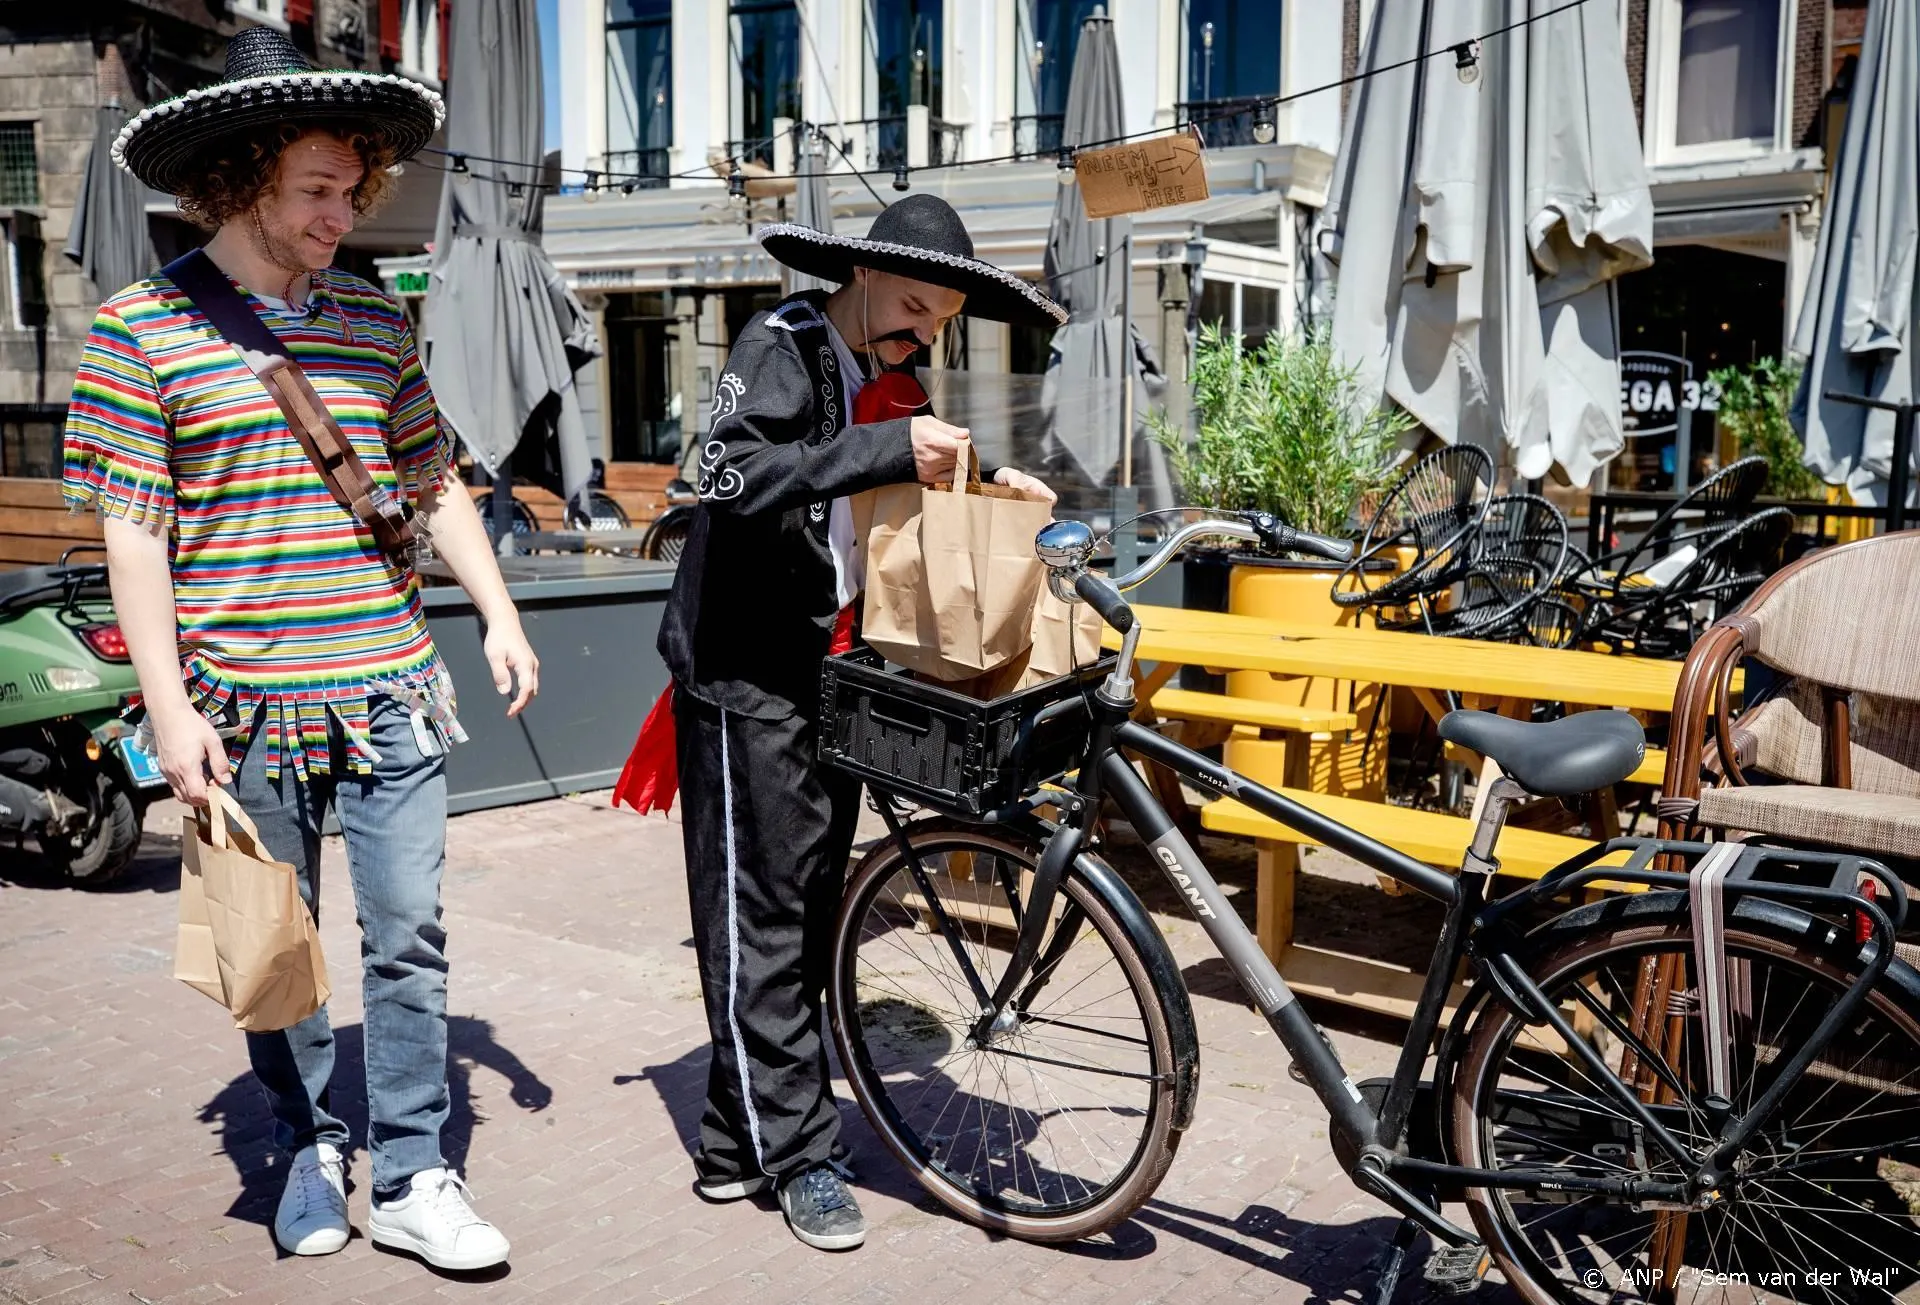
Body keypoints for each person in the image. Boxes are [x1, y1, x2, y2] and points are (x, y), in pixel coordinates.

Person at [63, 28, 535, 1272]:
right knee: (277, 944)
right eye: (318, 191)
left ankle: (421, 1170)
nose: (344, 213)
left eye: (352, 190)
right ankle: (313, 1147)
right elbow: (135, 541)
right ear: (240, 181)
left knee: (408, 932)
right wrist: (166, 709)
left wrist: (497, 608)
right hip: (245, 703)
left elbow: (433, 480)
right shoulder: (137, 331)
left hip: (389, 689)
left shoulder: (375, 321)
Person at [651, 194, 1066, 1251]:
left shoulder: (895, 380)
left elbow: (878, 517)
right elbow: (721, 476)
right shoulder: (781, 340)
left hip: (829, 660)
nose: (922, 331)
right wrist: (890, 454)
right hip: (744, 667)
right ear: (864, 276)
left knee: (806, 900)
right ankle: (801, 1156)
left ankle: (731, 1142)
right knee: (764, 908)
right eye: (914, 307)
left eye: (940, 319)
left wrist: (986, 489)